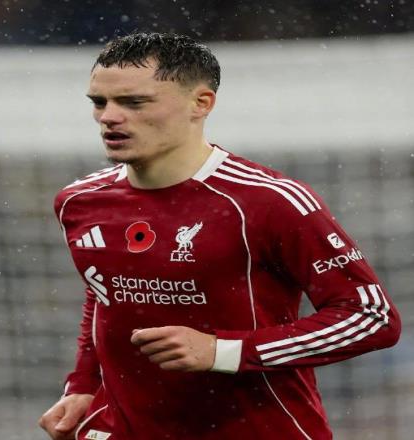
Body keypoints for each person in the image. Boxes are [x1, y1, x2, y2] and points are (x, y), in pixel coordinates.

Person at [39, 32, 401, 440]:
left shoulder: (267, 201)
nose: (109, 117)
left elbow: (371, 318)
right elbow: (105, 295)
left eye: (134, 102)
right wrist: (83, 385)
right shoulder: (79, 201)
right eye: (99, 102)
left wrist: (223, 351)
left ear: (201, 103)